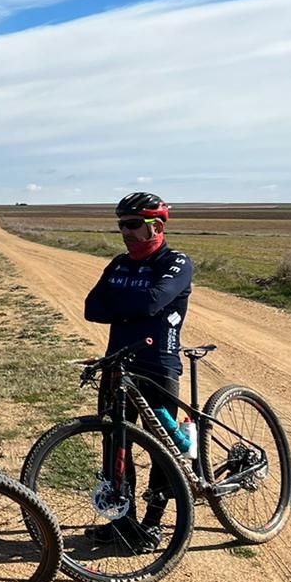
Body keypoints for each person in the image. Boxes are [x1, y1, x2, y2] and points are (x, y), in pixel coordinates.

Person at [82, 191, 195, 551]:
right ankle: (123, 521)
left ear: (156, 226)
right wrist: (137, 306)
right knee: (115, 444)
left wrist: (123, 305)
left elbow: (152, 302)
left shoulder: (176, 262)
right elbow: (91, 308)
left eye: (132, 224)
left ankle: (153, 522)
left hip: (157, 366)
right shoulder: (119, 264)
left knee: (162, 448)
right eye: (121, 225)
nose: (125, 232)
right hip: (116, 364)